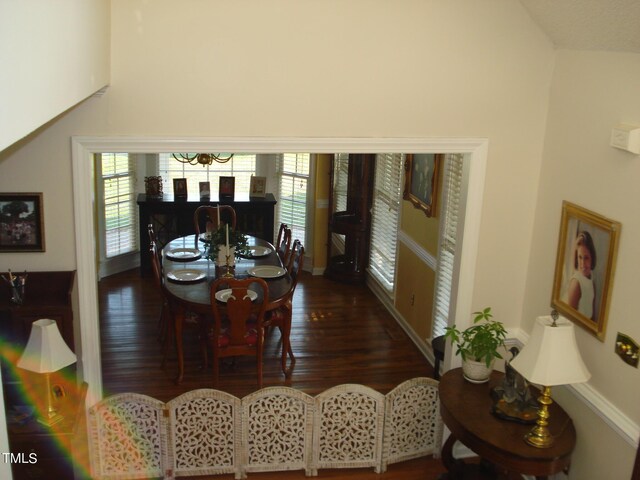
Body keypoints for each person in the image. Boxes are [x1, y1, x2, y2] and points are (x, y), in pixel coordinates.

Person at [567, 230, 596, 320]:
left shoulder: (592, 279)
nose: (582, 263)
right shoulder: (576, 283)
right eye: (580, 257)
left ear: (592, 258)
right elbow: (569, 318)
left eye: (586, 258)